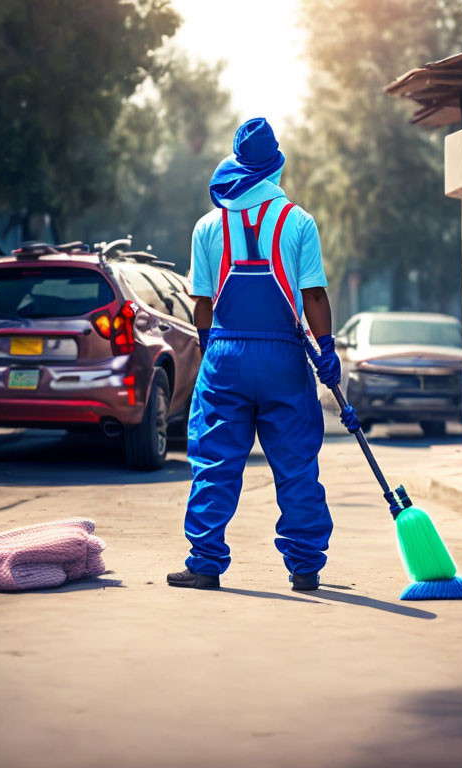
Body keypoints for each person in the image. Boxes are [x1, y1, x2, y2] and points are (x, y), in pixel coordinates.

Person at [166, 117, 359, 592]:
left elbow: (202, 303)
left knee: (215, 461)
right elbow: (313, 295)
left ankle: (205, 562)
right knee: (296, 463)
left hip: (226, 353)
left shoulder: (207, 226)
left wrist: (212, 348)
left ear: (237, 165)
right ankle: (305, 566)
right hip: (285, 359)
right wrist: (327, 347)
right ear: (275, 167)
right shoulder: (299, 221)